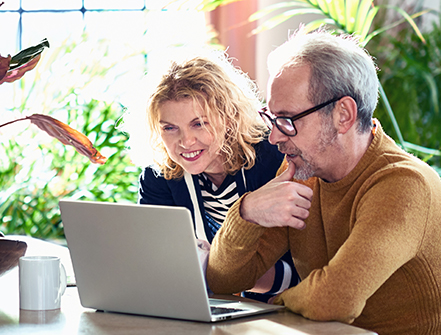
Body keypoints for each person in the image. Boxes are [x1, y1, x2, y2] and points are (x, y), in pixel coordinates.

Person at [206, 28, 441, 335]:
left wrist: (278, 302)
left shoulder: (404, 184)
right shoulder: (301, 175)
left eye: (288, 120)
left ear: (343, 115)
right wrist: (247, 211)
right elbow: (224, 281)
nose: (274, 136)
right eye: (272, 118)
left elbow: (334, 300)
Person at [125, 49, 300, 301]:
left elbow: (301, 269)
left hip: (276, 311)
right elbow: (156, 263)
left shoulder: (274, 158)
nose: (186, 141)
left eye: (199, 123)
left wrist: (217, 275)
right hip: (205, 308)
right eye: (170, 128)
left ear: (229, 117)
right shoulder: (159, 177)